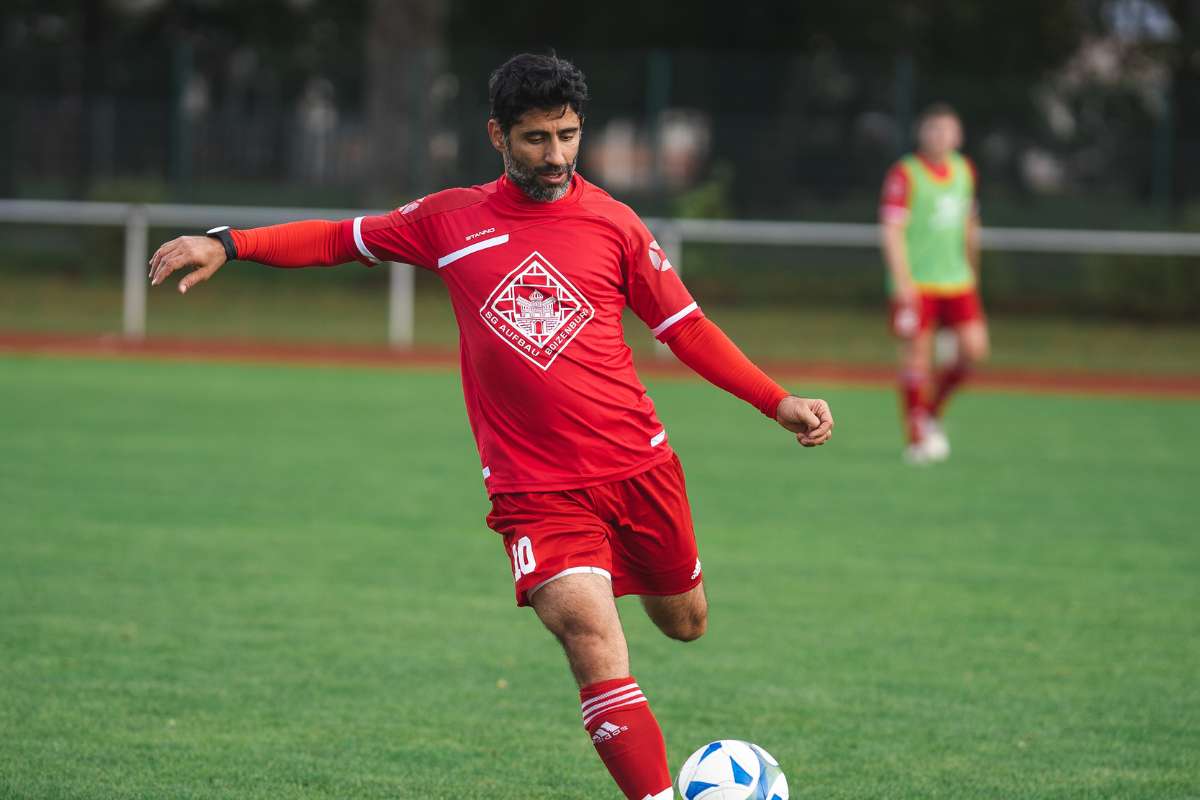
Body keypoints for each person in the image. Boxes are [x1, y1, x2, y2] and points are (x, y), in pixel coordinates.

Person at [149, 52, 833, 800]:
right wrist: (228, 241)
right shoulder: (450, 220)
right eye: (536, 138)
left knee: (687, 622)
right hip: (534, 490)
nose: (557, 155)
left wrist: (778, 401)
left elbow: (685, 327)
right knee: (589, 636)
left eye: (568, 135)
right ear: (497, 137)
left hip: (639, 468)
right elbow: (341, 238)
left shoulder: (615, 224)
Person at [879, 103, 989, 464]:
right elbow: (892, 231)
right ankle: (916, 438)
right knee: (917, 359)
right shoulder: (904, 174)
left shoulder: (965, 170)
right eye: (933, 129)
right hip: (919, 283)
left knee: (974, 351)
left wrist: (973, 268)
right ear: (921, 133)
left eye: (947, 129)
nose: (940, 136)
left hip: (957, 280)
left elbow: (970, 224)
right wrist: (902, 283)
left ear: (958, 136)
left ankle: (930, 414)